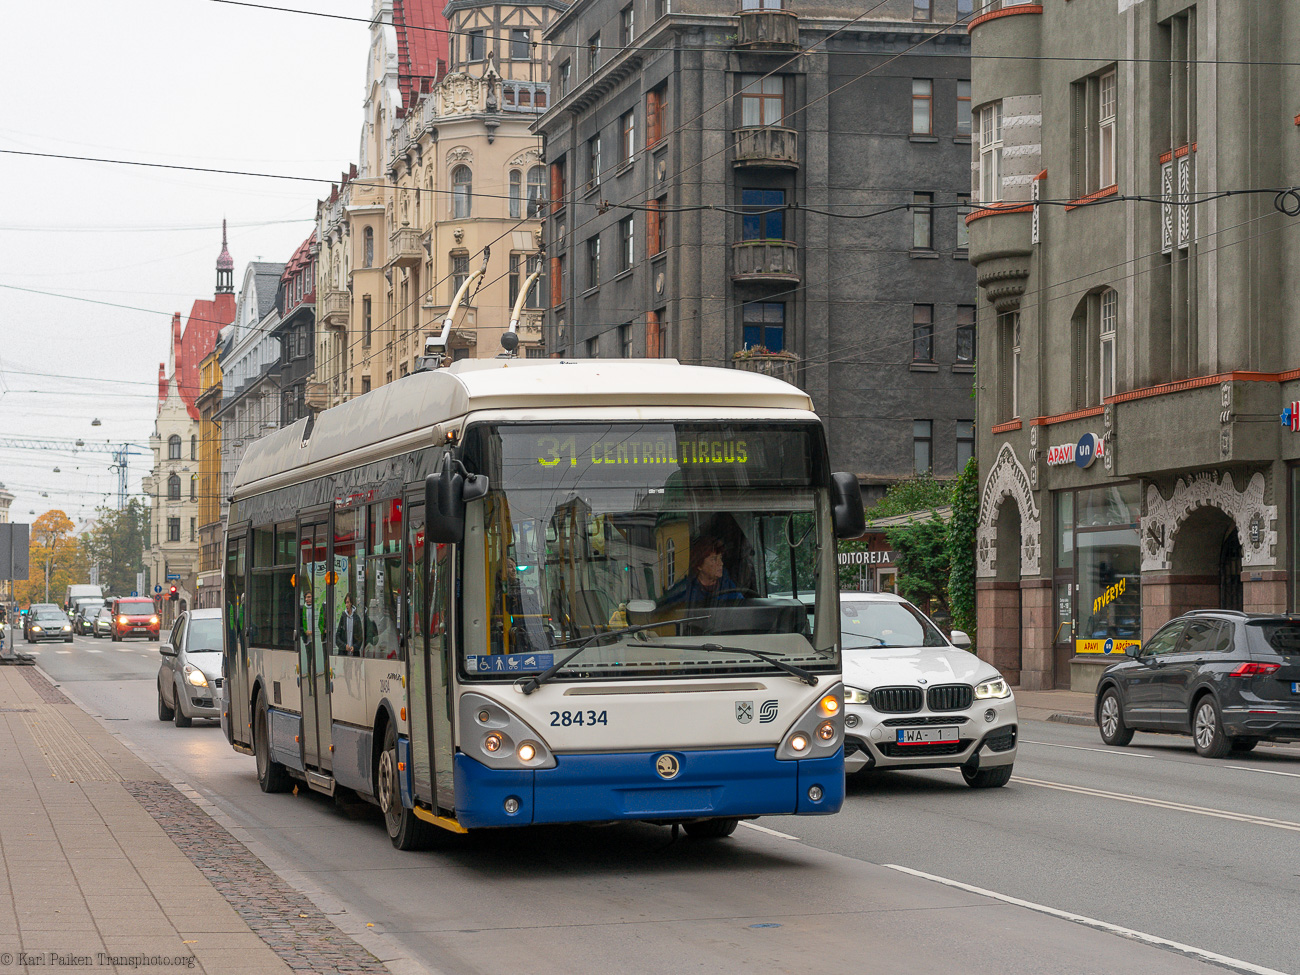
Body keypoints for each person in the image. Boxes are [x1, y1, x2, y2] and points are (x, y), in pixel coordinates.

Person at [662, 535, 745, 609]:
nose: (721, 563)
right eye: (714, 559)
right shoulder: (685, 590)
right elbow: (664, 610)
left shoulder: (729, 587)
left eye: (720, 558)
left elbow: (742, 609)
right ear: (699, 565)